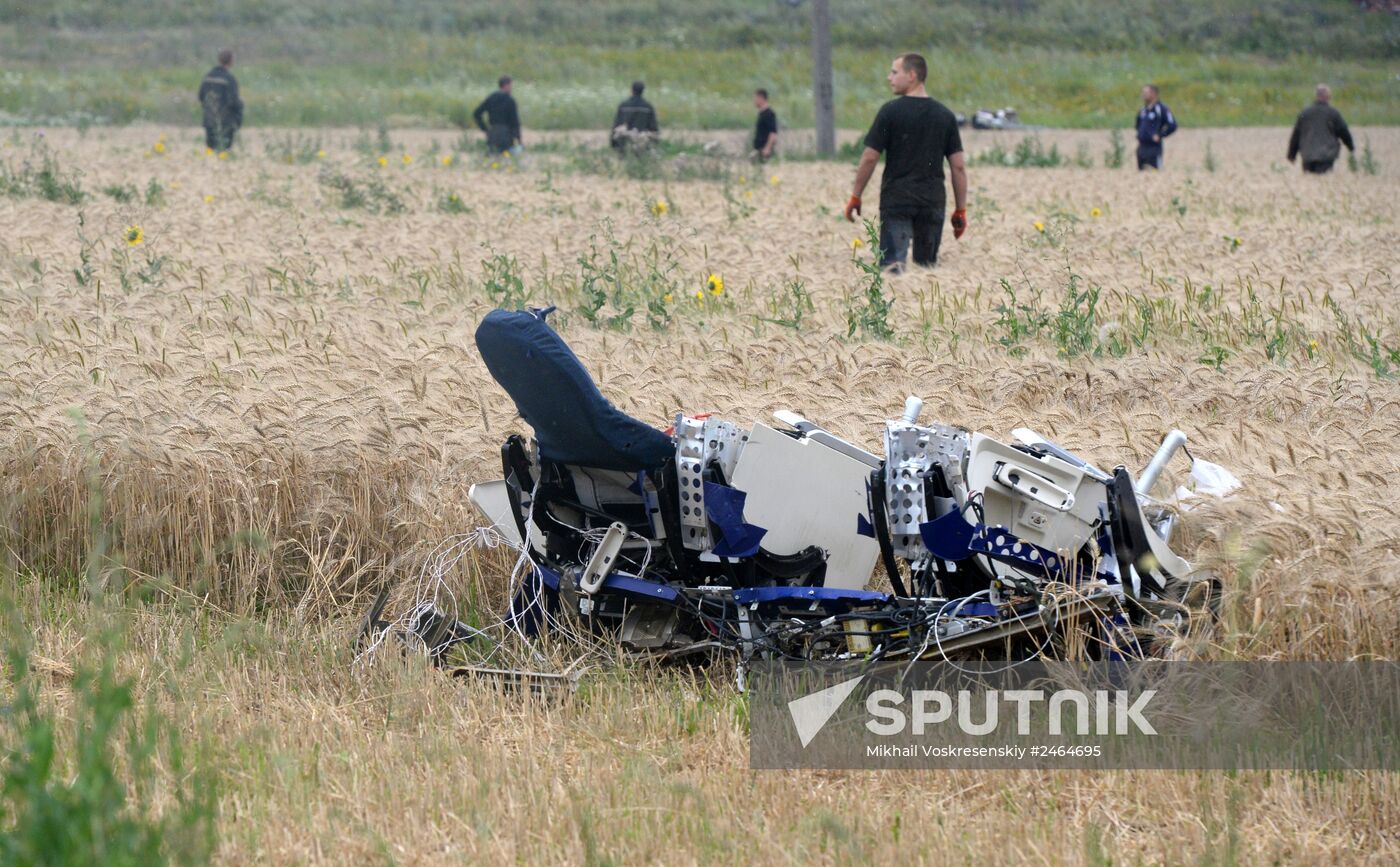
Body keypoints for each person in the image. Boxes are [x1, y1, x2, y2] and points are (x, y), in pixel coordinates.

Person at [844, 54, 967, 272]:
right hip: (932, 201)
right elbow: (958, 166)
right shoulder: (945, 116)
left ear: (912, 75)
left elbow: (870, 157)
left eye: (894, 72)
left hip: (897, 200)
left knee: (892, 269)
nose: (888, 77)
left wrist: (856, 195)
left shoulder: (890, 112)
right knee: (926, 273)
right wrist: (960, 209)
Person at [1288, 84, 1355, 174]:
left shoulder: (1305, 113)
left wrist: (1292, 155)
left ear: (1316, 96)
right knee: (1324, 183)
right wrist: (1351, 147)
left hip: (1308, 156)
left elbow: (1296, 135)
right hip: (1326, 157)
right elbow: (1343, 132)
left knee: (1309, 185)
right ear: (1328, 97)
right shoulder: (1333, 113)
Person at [198, 49, 243, 152]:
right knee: (224, 150)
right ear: (231, 61)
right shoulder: (229, 79)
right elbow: (234, 101)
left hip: (209, 119)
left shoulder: (207, 77)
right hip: (226, 121)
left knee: (210, 150)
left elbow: (201, 96)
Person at [473, 76, 522, 155]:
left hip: (492, 133)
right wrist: (519, 140)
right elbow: (515, 122)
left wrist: (485, 129)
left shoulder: (491, 98)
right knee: (507, 157)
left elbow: (476, 113)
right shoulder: (510, 100)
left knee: (493, 156)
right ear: (506, 85)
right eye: (511, 86)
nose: (511, 88)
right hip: (506, 135)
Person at [1135, 84, 1177, 170]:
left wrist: (1160, 135)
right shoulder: (1143, 110)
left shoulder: (1162, 109)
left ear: (1154, 94)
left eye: (1146, 93)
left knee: (1155, 174)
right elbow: (1138, 124)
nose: (1143, 95)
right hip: (1141, 147)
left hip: (1154, 148)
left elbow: (1172, 125)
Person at [610, 81, 659, 151]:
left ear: (631, 90)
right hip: (642, 140)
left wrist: (613, 142)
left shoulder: (624, 106)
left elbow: (617, 124)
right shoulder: (648, 107)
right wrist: (654, 141)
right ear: (643, 91)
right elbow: (653, 126)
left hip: (625, 142)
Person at [752, 89, 778, 162]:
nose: (754, 101)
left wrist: (767, 148)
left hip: (764, 151)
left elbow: (773, 133)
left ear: (761, 98)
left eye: (755, 98)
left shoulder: (769, 114)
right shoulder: (762, 114)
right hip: (759, 150)